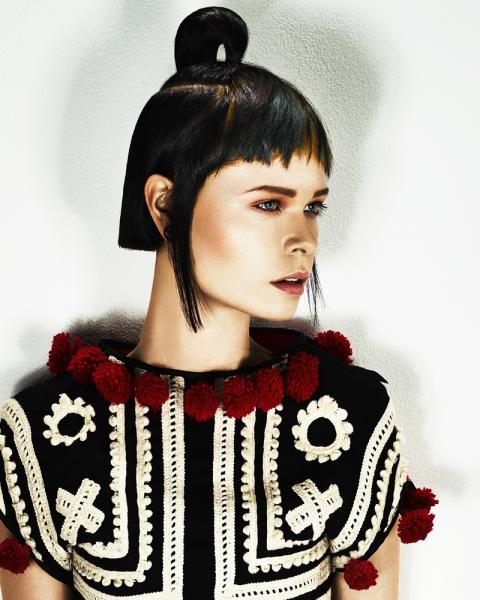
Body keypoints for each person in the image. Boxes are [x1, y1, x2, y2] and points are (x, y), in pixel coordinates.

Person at [0, 6, 437, 599]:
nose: (303, 240)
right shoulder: (46, 434)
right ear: (164, 204)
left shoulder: (348, 419)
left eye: (313, 206)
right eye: (268, 204)